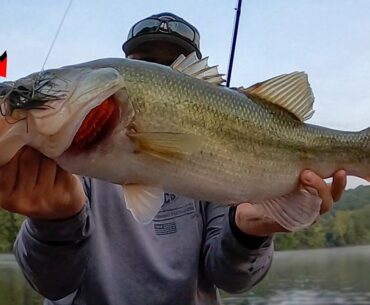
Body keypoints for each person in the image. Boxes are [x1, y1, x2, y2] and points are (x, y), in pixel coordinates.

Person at [0, 12, 346, 305]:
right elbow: (52, 284)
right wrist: (56, 223)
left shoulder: (223, 167)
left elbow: (229, 278)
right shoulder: (64, 153)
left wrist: (248, 234)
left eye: (174, 67)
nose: (162, 74)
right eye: (147, 64)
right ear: (124, 70)